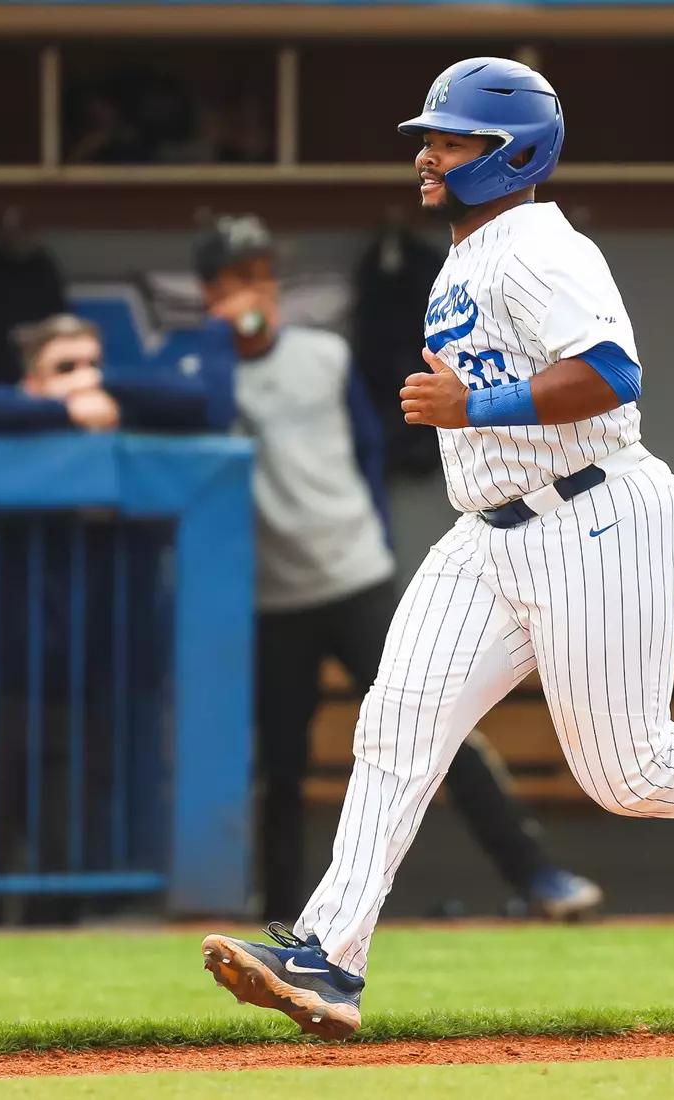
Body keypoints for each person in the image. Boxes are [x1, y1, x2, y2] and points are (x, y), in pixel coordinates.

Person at [200, 57, 674, 1041]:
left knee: (626, 772)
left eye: (449, 141)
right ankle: (329, 955)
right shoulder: (466, 257)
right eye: (429, 139)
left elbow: (614, 372)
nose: (427, 157)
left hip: (592, 512)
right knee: (395, 725)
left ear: (510, 151)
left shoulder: (539, 246)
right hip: (487, 533)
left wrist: (472, 404)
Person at [179, 213, 604, 926]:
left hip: (355, 577)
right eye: (234, 279)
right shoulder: (197, 371)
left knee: (442, 723)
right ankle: (285, 923)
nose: (253, 290)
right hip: (273, 597)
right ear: (210, 290)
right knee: (279, 765)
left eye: (260, 275)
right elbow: (210, 402)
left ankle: (539, 877)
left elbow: (370, 452)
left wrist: (374, 538)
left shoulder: (323, 354)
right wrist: (222, 337)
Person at [0, 313, 210, 926]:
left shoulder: (118, 425)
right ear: (32, 384)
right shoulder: (8, 429)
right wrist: (65, 410)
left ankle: (42, 979)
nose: (85, 380)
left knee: (65, 850)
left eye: (94, 365)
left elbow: (200, 401)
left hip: (83, 685)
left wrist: (103, 388)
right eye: (65, 368)